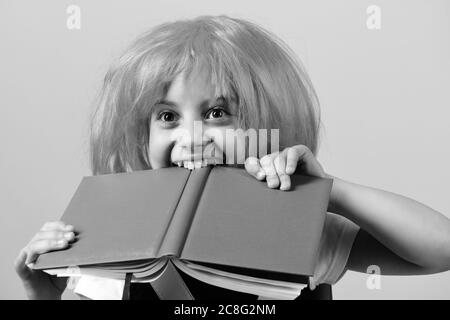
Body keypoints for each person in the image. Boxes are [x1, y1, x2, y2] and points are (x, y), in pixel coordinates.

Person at [14, 15, 450, 300]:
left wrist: (329, 191)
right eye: (167, 116)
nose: (192, 136)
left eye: (217, 113)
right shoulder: (112, 240)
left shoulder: (302, 228)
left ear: (267, 122)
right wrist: (41, 294)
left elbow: (439, 250)